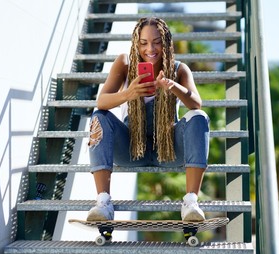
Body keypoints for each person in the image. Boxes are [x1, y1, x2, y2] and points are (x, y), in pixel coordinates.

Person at [86, 17, 210, 222]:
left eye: (157, 41)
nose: (150, 48)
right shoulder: (124, 64)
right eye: (143, 43)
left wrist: (173, 86)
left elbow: (196, 103)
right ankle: (103, 202)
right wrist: (129, 94)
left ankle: (191, 202)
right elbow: (101, 101)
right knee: (99, 117)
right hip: (131, 149)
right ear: (136, 43)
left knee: (198, 117)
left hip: (168, 150)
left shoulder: (179, 69)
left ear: (167, 42)